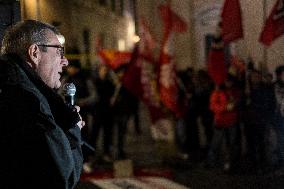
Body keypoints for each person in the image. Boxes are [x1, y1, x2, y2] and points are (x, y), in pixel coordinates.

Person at [0, 20, 84, 189]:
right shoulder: (28, 102)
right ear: (35, 53)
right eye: (59, 51)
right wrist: (72, 131)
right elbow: (63, 176)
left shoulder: (11, 86)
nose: (65, 61)